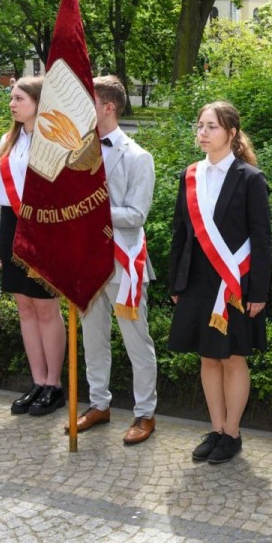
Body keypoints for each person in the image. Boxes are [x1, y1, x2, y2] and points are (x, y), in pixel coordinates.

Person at [168, 101, 271, 464]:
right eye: (200, 126)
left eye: (211, 126)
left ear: (231, 133)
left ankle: (232, 433)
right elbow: (180, 232)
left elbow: (262, 239)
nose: (203, 133)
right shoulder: (190, 175)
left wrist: (259, 291)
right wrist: (176, 284)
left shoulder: (250, 178)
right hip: (197, 282)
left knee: (232, 358)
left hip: (234, 284)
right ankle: (215, 429)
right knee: (208, 358)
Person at [66, 76, 160, 446]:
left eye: (87, 101)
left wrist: (91, 209)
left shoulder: (138, 156)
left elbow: (137, 215)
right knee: (93, 339)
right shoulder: (75, 151)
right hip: (87, 260)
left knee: (137, 342)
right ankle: (99, 403)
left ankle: (144, 413)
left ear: (108, 106)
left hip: (125, 264)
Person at [0, 76, 67, 416]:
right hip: (11, 226)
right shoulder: (9, 139)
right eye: (11, 98)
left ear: (38, 101)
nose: (12, 103)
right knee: (24, 306)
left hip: (46, 229)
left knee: (46, 307)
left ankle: (54, 384)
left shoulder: (57, 141)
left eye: (19, 98)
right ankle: (37, 381)